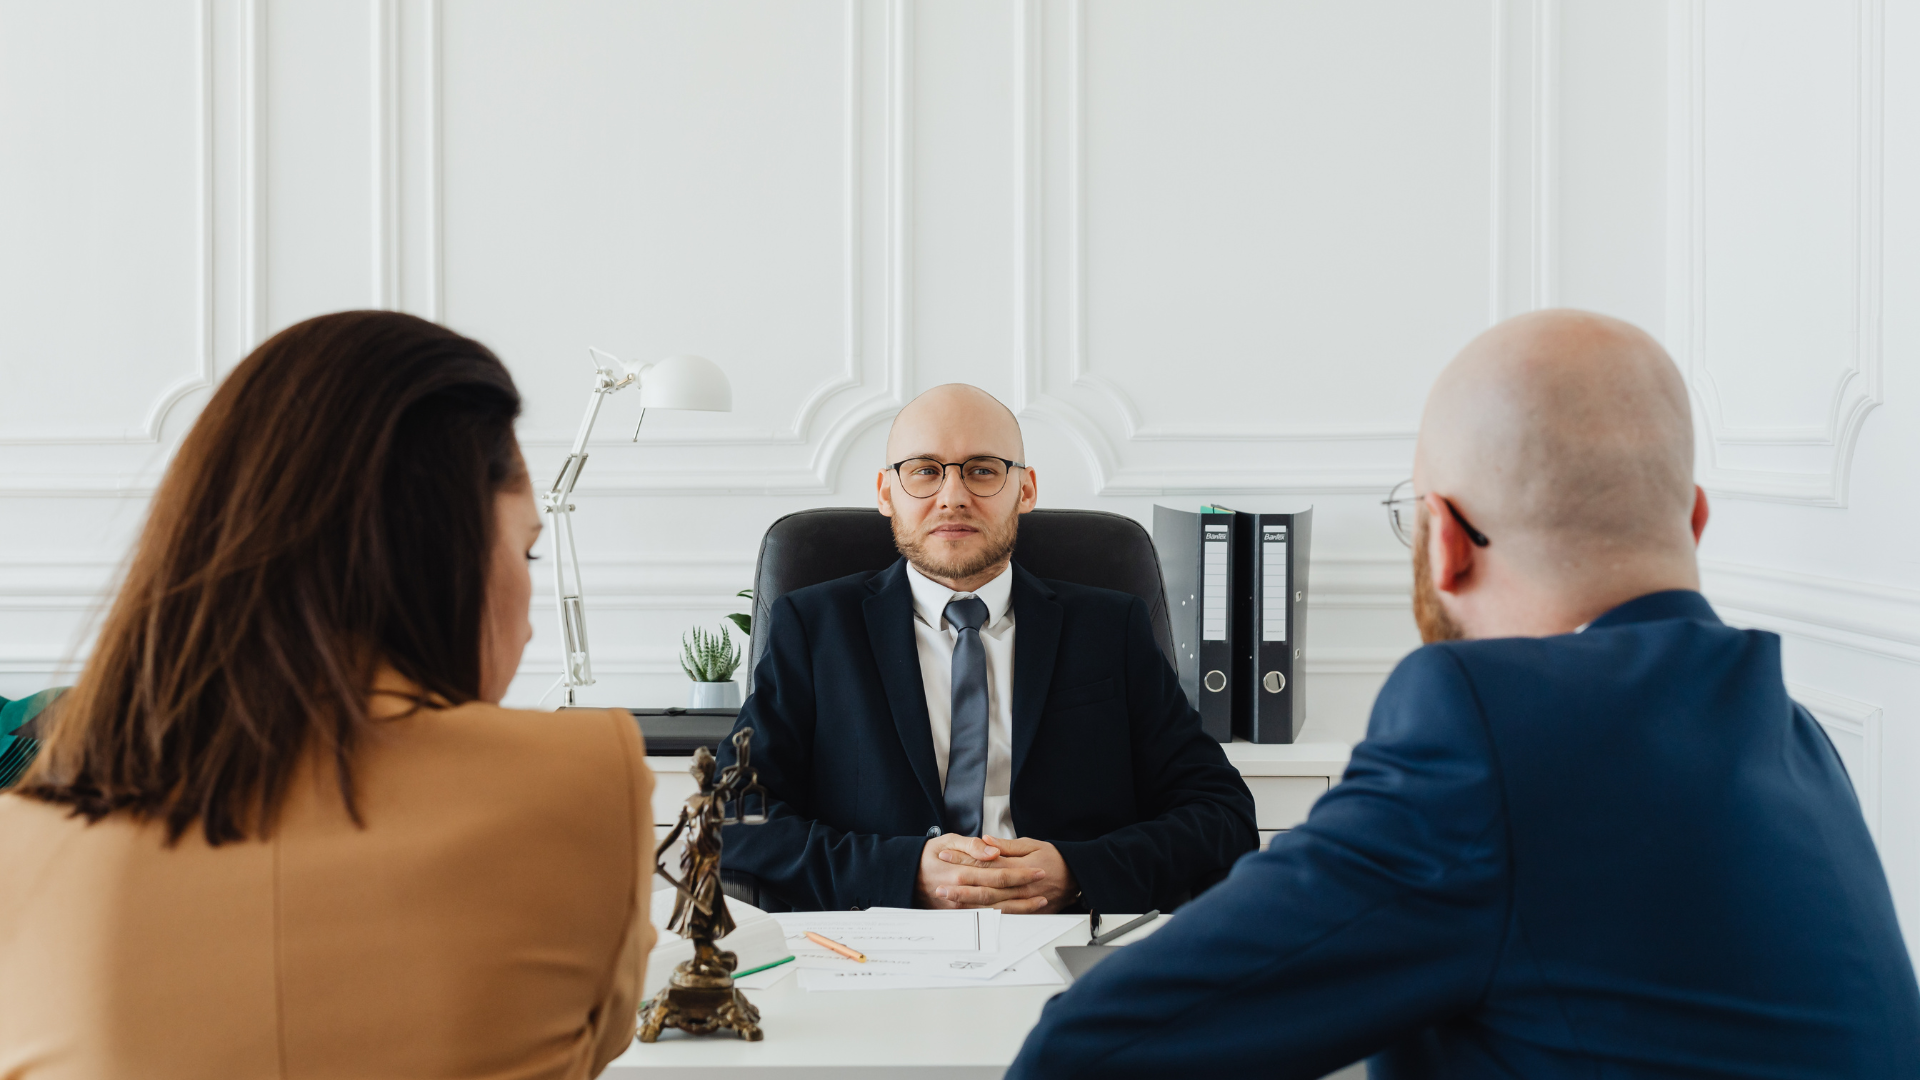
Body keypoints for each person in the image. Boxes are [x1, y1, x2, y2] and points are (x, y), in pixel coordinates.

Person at [1010, 310, 1920, 1078]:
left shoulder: (1494, 731)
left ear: (1443, 539)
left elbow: (1084, 1054)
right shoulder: (1797, 739)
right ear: (1695, 519)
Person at [0, 311, 656, 1080]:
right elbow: (603, 1031)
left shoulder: (24, 841)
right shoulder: (587, 775)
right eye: (528, 552)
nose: (534, 623)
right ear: (442, 552)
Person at [717, 383, 1256, 914]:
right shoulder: (814, 627)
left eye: (982, 470)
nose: (953, 496)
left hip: (1065, 933)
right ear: (886, 492)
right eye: (924, 470)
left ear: (1026, 490)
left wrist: (1078, 873)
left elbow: (1222, 814)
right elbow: (731, 814)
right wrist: (902, 872)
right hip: (882, 934)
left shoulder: (1111, 628)